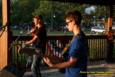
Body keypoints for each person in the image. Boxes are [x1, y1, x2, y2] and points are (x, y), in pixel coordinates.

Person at [43, 10, 88, 77]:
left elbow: (71, 62)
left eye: (67, 23)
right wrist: (54, 58)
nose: (66, 26)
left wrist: (53, 65)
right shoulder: (79, 36)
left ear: (73, 21)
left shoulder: (78, 40)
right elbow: (70, 58)